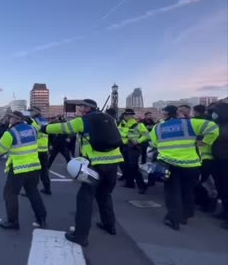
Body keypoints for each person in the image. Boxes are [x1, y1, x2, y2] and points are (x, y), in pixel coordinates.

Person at [41, 99, 124, 247]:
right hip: (113, 164)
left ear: (87, 108)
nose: (79, 108)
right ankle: (109, 226)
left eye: (81, 106)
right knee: (105, 195)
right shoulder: (110, 119)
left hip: (95, 165)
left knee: (85, 199)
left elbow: (63, 127)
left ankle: (80, 236)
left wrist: (44, 128)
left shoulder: (83, 121)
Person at [150, 105, 219, 230]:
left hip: (169, 163)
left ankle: (173, 219)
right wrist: (205, 142)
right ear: (177, 113)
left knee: (173, 191)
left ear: (165, 114)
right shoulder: (190, 123)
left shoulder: (158, 127)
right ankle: (185, 215)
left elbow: (154, 143)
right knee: (188, 190)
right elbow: (213, 128)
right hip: (191, 164)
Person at [0, 111, 47, 229]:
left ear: (15, 119)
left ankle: (13, 221)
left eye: (10, 117)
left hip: (18, 168)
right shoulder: (32, 129)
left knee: (10, 194)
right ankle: (42, 218)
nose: (8, 119)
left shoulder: (10, 133)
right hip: (34, 166)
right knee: (33, 192)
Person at [118, 109, 149, 194]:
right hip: (124, 147)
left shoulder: (139, 125)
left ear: (132, 115)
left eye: (128, 114)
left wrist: (138, 141)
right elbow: (119, 133)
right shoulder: (122, 124)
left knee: (133, 166)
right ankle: (129, 183)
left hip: (133, 147)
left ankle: (142, 186)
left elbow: (146, 135)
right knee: (125, 165)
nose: (126, 116)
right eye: (125, 115)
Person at [210, 103, 228, 229]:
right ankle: (224, 211)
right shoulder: (217, 124)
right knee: (221, 188)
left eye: (215, 112)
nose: (213, 114)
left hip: (225, 160)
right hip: (217, 160)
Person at [27, 107, 51, 195]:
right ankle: (47, 189)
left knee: (33, 170)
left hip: (35, 149)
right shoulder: (45, 120)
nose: (30, 113)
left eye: (31, 111)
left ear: (36, 112)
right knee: (44, 170)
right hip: (44, 148)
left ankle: (32, 191)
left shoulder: (33, 121)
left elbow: (33, 133)